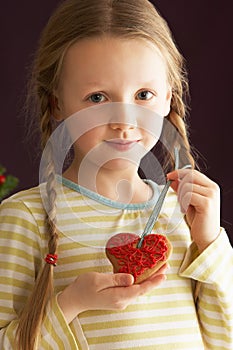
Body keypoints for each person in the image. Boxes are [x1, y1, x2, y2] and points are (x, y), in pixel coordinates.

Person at [0, 0, 232, 349]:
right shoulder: (26, 218)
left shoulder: (184, 214)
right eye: (97, 97)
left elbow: (223, 339)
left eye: (143, 95)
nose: (124, 120)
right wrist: (70, 303)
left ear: (168, 99)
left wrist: (210, 243)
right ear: (56, 104)